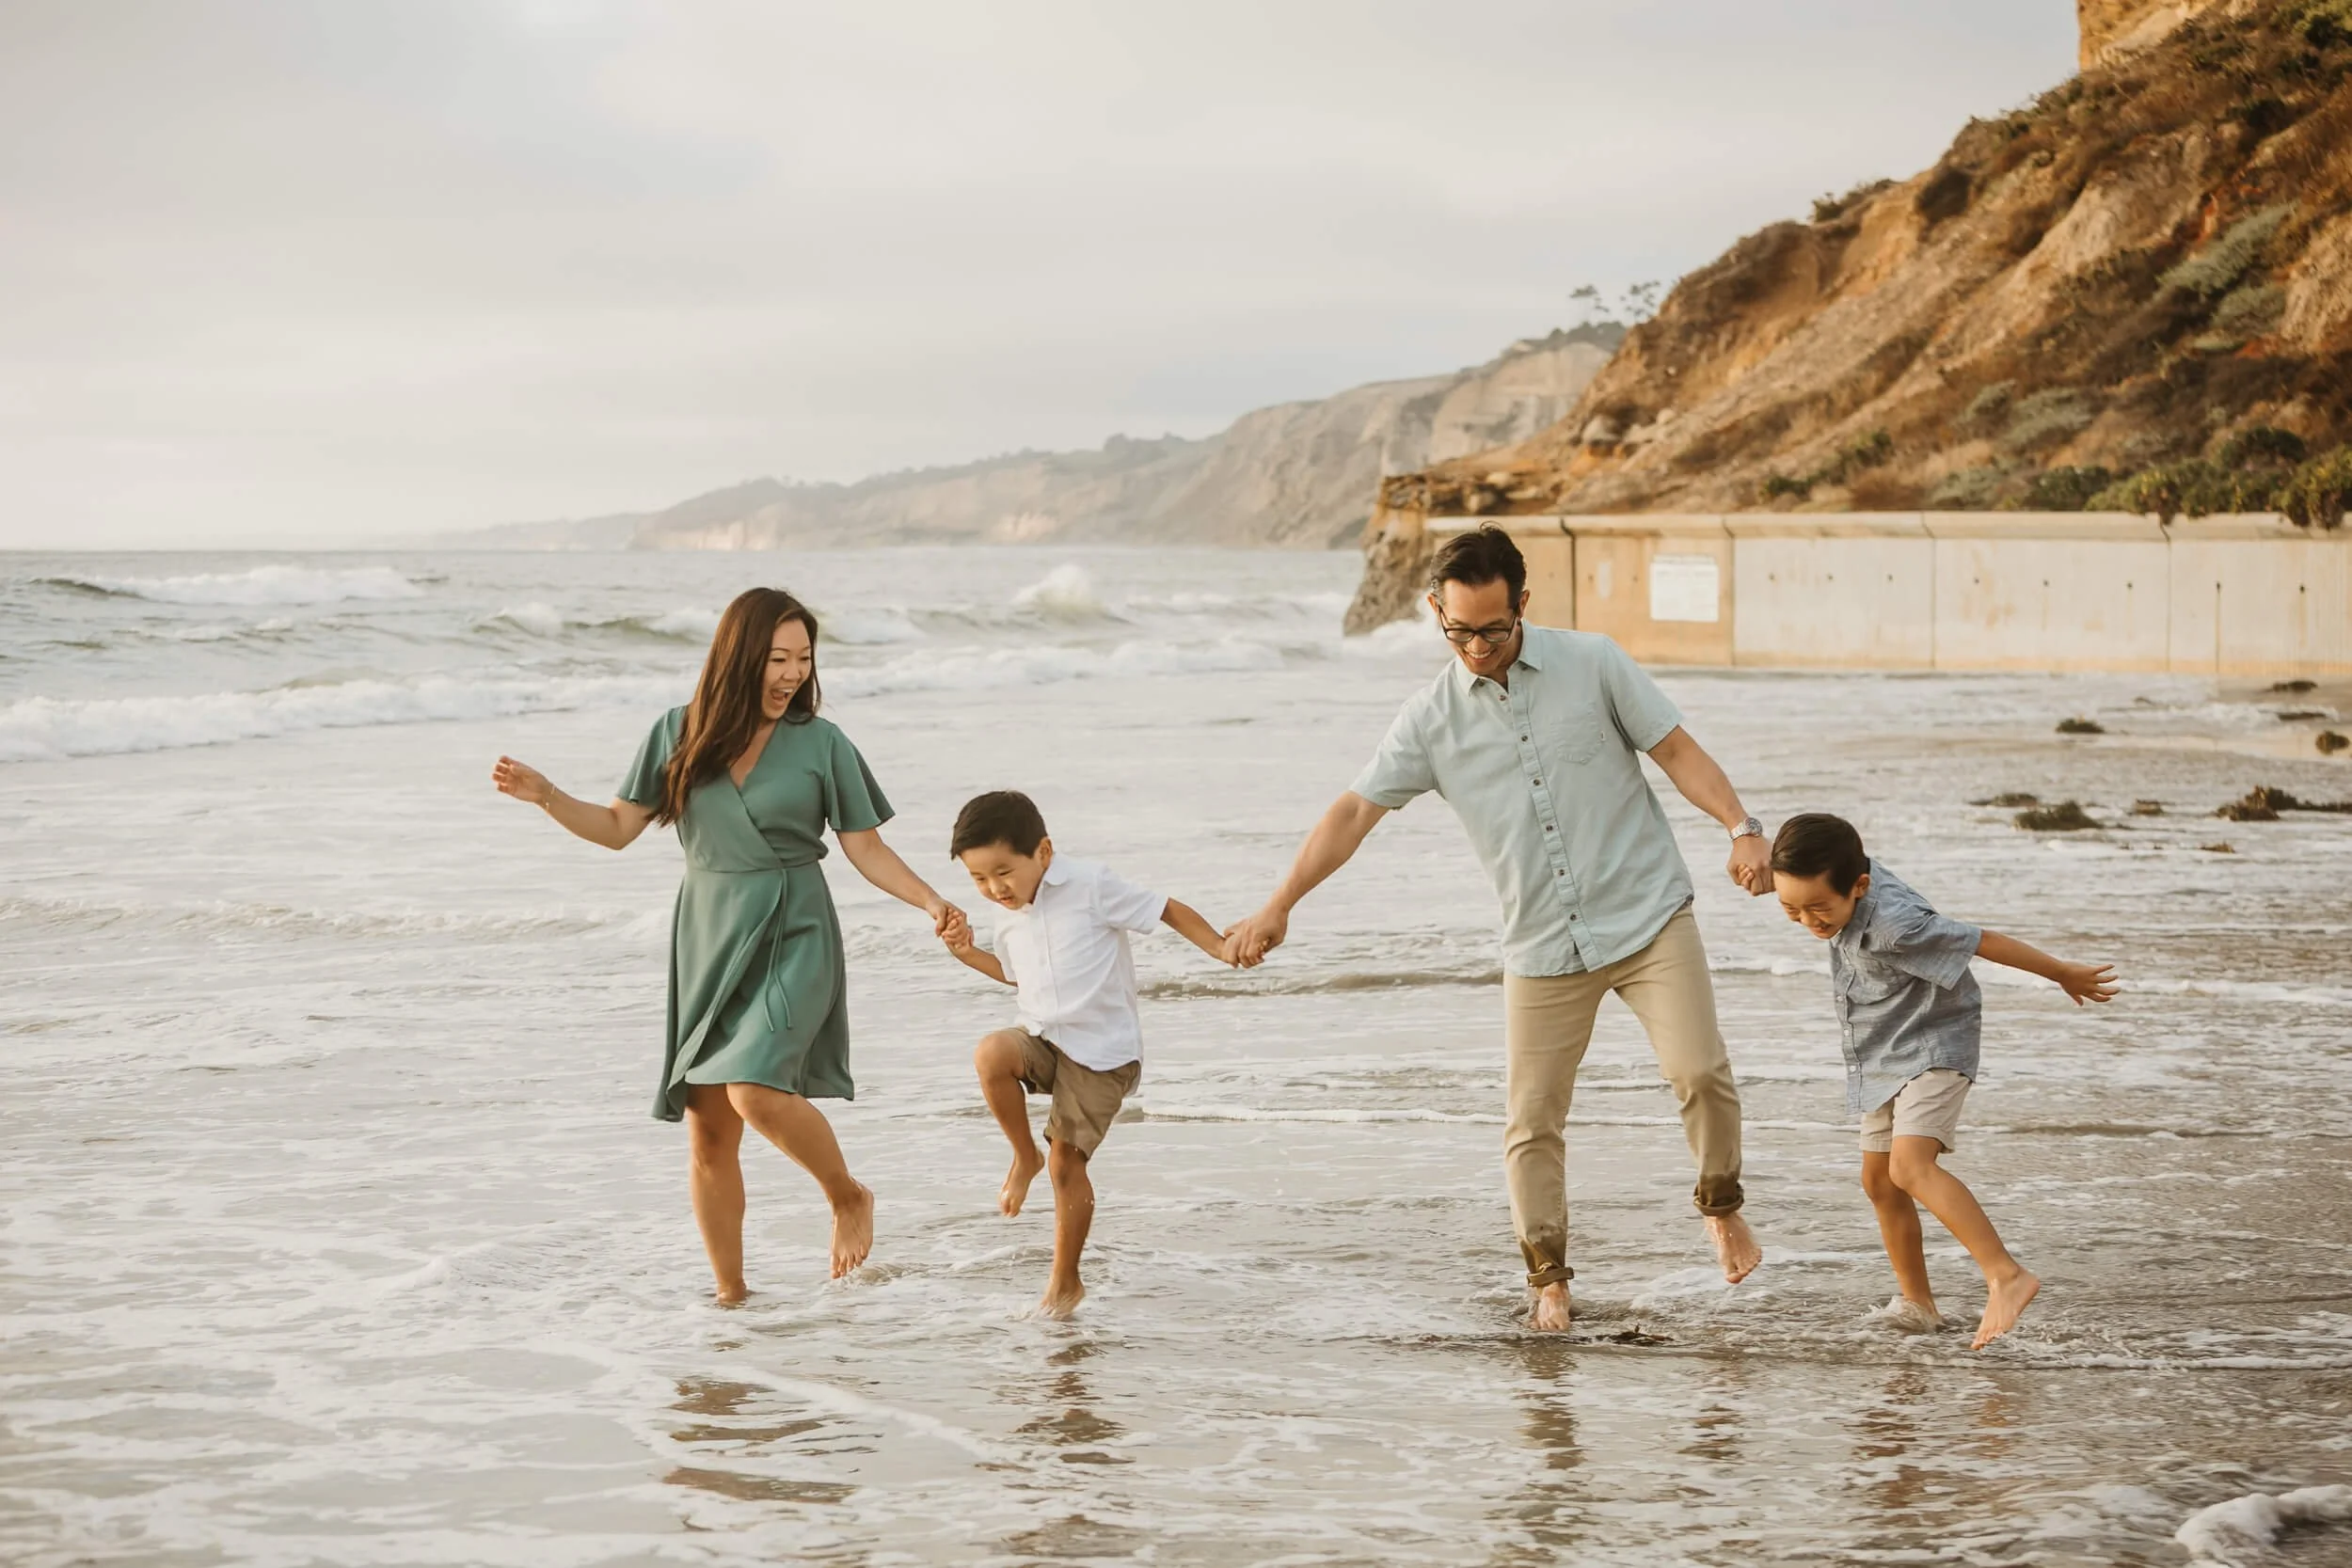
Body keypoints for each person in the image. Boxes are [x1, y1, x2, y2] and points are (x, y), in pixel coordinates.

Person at [1223, 524, 1771, 1333]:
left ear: (1522, 604)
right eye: (1457, 630)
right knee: (1532, 1121)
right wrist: (1279, 903)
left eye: (1493, 627)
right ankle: (1547, 1276)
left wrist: (1740, 824)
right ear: (1434, 609)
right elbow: (1351, 813)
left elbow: (1677, 750)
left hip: (1648, 912)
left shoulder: (1594, 663)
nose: (1476, 645)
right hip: (1543, 943)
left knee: (1700, 1072)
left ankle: (1720, 1202)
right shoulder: (1429, 719)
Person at [491, 587, 963, 1303]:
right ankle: (732, 1301)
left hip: (793, 925)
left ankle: (846, 1194)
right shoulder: (676, 733)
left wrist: (932, 900)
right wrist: (548, 794)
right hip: (709, 930)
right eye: (778, 658)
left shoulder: (822, 742)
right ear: (738, 657)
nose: (793, 674)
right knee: (709, 1129)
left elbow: (864, 846)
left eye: (804, 659)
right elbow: (620, 828)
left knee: (755, 1090)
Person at [1770, 812, 2118, 1349]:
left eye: (1819, 909)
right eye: (1790, 908)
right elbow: (1795, 881)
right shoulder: (1831, 877)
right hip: (1881, 1045)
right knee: (1879, 1181)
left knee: (1910, 1168)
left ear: (1859, 887)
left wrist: (2061, 972)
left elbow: (1982, 941)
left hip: (1935, 1043)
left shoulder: (1897, 924)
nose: (1807, 921)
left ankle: (2006, 1275)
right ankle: (1918, 1304)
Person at [938, 789, 1232, 1318]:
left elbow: (1164, 908)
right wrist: (965, 954)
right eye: (978, 879)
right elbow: (1012, 975)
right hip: (1045, 1039)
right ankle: (1021, 1153)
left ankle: (1065, 1281)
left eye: (1002, 872)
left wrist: (1217, 947)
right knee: (990, 1054)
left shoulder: (1091, 884)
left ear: (1043, 852)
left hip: (1101, 1054)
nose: (993, 889)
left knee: (1065, 1165)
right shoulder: (1007, 915)